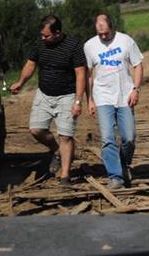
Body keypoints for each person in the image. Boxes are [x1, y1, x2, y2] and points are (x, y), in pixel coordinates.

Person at [10, 15, 87, 184]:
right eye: (42, 35)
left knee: (65, 135)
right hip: (44, 94)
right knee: (36, 130)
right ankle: (56, 150)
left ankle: (65, 175)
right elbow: (31, 64)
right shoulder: (40, 44)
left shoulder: (73, 45)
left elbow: (81, 74)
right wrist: (20, 82)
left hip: (67, 95)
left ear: (58, 33)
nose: (43, 38)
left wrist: (78, 101)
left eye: (46, 36)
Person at [85, 14, 144, 189]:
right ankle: (115, 176)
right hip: (103, 96)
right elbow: (87, 75)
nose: (103, 37)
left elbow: (138, 65)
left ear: (112, 26)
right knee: (107, 138)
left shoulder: (126, 41)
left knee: (129, 138)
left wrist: (136, 89)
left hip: (125, 95)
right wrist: (89, 100)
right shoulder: (89, 46)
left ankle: (124, 164)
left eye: (106, 33)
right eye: (99, 34)